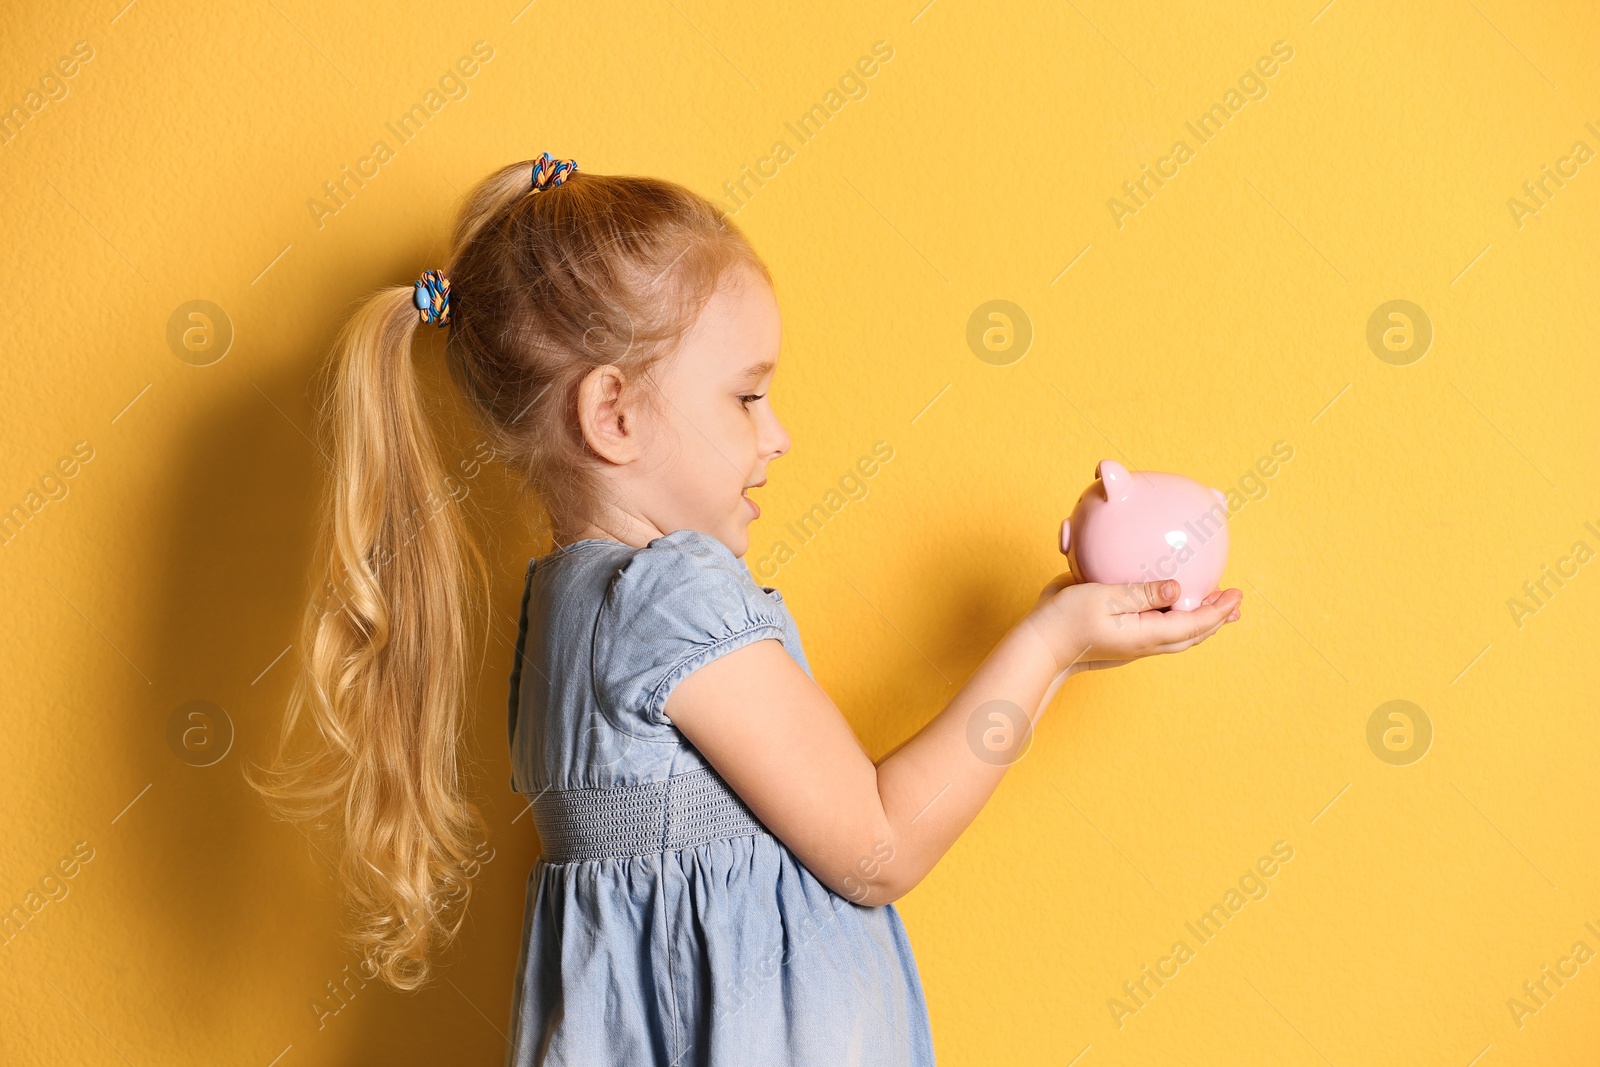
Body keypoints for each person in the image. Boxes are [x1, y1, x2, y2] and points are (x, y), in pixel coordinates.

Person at [249, 152, 1244, 1066]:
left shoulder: (562, 613)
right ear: (614, 413)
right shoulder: (671, 598)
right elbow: (878, 848)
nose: (779, 435)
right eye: (745, 397)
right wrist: (1050, 641)